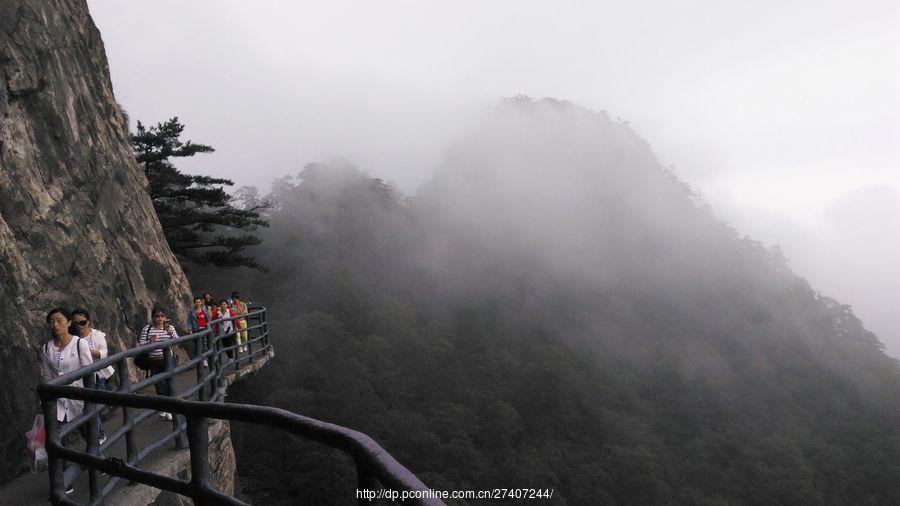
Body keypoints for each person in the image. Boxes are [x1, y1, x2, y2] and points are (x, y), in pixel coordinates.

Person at [40, 307, 93, 495]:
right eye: (52, 321)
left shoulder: (79, 344)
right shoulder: (47, 348)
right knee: (56, 439)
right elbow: (47, 377)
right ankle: (63, 481)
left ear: (69, 323)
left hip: (79, 398)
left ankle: (97, 461)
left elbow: (88, 372)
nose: (55, 325)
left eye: (59, 320)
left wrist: (89, 399)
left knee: (91, 434)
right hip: (58, 402)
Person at [70, 309, 113, 445]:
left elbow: (103, 353)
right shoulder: (72, 338)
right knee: (89, 408)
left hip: (98, 376)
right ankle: (97, 437)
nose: (79, 326)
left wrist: (85, 350)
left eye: (82, 323)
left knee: (92, 408)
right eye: (75, 323)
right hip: (81, 379)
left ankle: (99, 436)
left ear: (88, 322)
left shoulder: (97, 335)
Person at [137, 307, 178, 420]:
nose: (160, 318)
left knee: (169, 383)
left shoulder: (170, 327)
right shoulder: (147, 329)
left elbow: (177, 340)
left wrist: (171, 334)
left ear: (165, 317)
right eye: (157, 316)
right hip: (154, 360)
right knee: (158, 384)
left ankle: (170, 408)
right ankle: (164, 407)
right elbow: (141, 345)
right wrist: (151, 342)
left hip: (167, 359)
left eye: (162, 316)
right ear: (153, 317)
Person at [187, 296, 212, 366]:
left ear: (201, 302)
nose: (198, 303)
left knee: (205, 344)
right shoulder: (192, 312)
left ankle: (205, 359)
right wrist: (190, 329)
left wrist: (210, 326)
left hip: (205, 329)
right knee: (199, 344)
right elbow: (189, 321)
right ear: (194, 303)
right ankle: (202, 359)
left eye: (199, 302)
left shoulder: (204, 309)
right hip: (197, 330)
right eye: (196, 302)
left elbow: (208, 318)